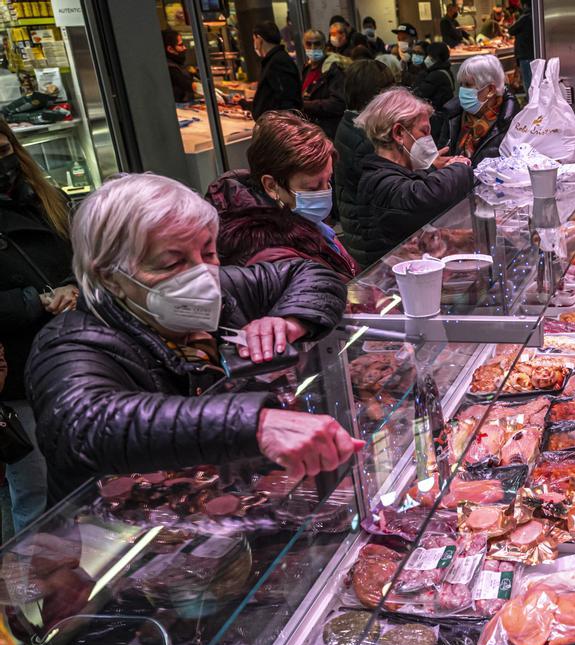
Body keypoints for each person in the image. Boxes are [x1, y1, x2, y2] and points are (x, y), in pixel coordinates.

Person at [26, 173, 361, 503]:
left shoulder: (226, 287)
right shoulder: (67, 344)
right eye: (172, 263)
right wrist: (254, 424)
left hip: (216, 507)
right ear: (110, 276)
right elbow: (83, 425)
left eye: (209, 253)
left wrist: (288, 319)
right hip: (118, 539)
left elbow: (310, 273)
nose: (202, 275)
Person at [0, 120, 73, 533]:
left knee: (82, 480)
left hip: (68, 358)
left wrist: (76, 288)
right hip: (17, 379)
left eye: (3, 151)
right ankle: (43, 591)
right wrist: (37, 300)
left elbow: (86, 260)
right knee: (36, 494)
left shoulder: (49, 199)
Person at [205, 111, 356, 280]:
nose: (325, 193)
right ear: (271, 186)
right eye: (312, 189)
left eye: (328, 181)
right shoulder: (272, 258)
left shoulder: (301, 218)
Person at [346, 87, 473, 267]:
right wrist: (459, 166)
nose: (429, 140)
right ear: (398, 134)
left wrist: (431, 169)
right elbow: (425, 197)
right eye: (424, 131)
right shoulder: (378, 181)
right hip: (394, 284)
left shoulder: (393, 173)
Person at [335, 59, 395, 241]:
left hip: (361, 230)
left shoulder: (352, 123)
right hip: (371, 237)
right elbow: (390, 188)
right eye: (389, 91)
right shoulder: (365, 138)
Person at [441, 54, 519, 163]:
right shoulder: (453, 115)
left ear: (491, 90)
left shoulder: (510, 123)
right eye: (461, 85)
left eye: (468, 85)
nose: (462, 90)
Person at [234, 21, 302, 120]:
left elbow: (287, 100)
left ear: (259, 39)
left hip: (280, 127)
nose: (254, 44)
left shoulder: (278, 61)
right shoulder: (272, 60)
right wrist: (244, 103)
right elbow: (268, 99)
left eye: (254, 39)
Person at [299, 29, 347, 139]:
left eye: (317, 44)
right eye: (308, 44)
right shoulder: (306, 68)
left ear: (324, 45)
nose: (312, 48)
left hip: (329, 131)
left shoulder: (332, 68)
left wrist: (305, 105)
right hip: (311, 130)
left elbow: (338, 104)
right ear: (303, 46)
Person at [413, 42, 455, 139]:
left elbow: (418, 94)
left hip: (436, 117)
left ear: (436, 58)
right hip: (443, 115)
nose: (427, 59)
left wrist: (421, 74)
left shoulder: (435, 75)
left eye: (430, 56)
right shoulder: (445, 70)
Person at [162, 29, 195, 103]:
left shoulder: (175, 63)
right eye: (180, 45)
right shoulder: (170, 67)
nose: (185, 48)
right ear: (170, 49)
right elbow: (187, 84)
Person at [508, 0, 534, 93]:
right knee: (534, 82)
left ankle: (531, 104)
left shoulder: (525, 17)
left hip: (525, 55)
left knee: (528, 84)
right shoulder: (535, 15)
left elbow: (511, 30)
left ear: (524, 5)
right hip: (533, 54)